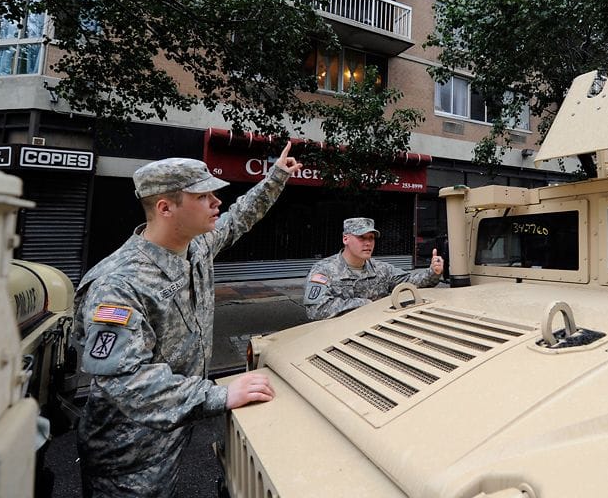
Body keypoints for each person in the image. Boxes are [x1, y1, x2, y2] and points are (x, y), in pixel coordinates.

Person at [73, 142, 302, 497]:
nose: (217, 203)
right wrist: (218, 394)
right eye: (203, 196)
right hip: (129, 453)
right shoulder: (116, 284)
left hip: (172, 434)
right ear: (165, 208)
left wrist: (277, 176)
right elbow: (128, 383)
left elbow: (240, 216)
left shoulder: (196, 246)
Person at [302, 217, 443, 320]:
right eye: (362, 238)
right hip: (339, 338)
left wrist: (432, 272)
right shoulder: (323, 270)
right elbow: (316, 309)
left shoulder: (381, 268)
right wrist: (366, 304)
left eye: (371, 238)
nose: (368, 243)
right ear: (345, 239)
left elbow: (409, 282)